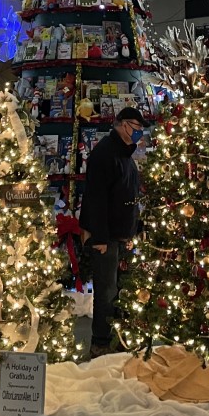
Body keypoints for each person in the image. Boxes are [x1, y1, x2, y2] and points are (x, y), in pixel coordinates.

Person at [80, 107, 146, 358]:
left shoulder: (124, 153)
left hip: (121, 235)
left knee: (119, 289)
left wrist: (134, 229)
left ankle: (118, 337)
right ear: (122, 124)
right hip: (105, 237)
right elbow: (96, 199)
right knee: (106, 291)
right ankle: (100, 342)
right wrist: (99, 238)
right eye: (136, 127)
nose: (139, 133)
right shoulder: (104, 154)